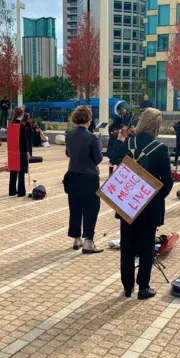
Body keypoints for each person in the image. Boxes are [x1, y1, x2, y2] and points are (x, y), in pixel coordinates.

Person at [109, 108, 173, 300]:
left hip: (127, 203)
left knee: (127, 246)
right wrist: (156, 198)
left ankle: (127, 286)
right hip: (149, 206)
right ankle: (143, 287)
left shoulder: (128, 142)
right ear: (156, 125)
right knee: (146, 247)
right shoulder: (160, 148)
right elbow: (168, 182)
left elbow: (114, 163)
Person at [64, 106, 104, 254]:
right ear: (89, 119)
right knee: (90, 209)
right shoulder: (92, 137)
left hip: (73, 174)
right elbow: (98, 159)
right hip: (89, 177)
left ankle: (76, 238)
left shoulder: (69, 135)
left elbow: (68, 153)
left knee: (75, 208)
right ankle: (88, 241)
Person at [9, 107, 29, 197]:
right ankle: (21, 191)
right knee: (21, 172)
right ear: (21, 115)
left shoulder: (11, 125)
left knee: (13, 172)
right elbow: (24, 141)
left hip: (12, 152)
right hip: (21, 152)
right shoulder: (22, 127)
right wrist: (27, 152)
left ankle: (12, 190)